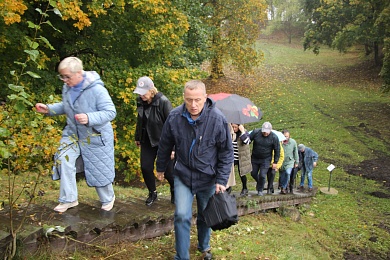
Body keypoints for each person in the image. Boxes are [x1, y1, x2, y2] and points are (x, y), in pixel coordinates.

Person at [156, 80, 233, 260]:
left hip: (208, 177)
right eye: (189, 100)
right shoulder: (175, 117)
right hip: (183, 175)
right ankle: (182, 256)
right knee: (182, 215)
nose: (193, 105)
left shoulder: (217, 119)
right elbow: (165, 145)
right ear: (184, 97)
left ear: (205, 98)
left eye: (197, 100)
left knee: (205, 216)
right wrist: (160, 167)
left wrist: (221, 180)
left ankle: (204, 245)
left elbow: (226, 152)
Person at [35, 57, 116, 212]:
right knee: (63, 159)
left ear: (79, 73)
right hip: (72, 133)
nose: (64, 80)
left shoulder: (97, 90)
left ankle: (108, 198)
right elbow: (66, 107)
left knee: (98, 168)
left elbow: (110, 112)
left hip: (94, 134)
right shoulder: (68, 87)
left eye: (67, 77)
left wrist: (89, 118)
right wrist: (49, 109)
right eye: (62, 76)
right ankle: (69, 199)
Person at [133, 76, 175, 206]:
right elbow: (140, 120)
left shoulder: (163, 102)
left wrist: (173, 148)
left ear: (151, 90)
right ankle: (152, 192)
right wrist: (137, 136)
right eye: (139, 92)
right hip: (147, 140)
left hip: (163, 142)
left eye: (143, 92)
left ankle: (175, 190)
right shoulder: (140, 101)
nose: (141, 95)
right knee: (145, 167)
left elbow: (173, 125)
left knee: (168, 172)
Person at [249, 122, 280, 196]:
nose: (265, 133)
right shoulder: (256, 132)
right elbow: (248, 140)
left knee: (262, 175)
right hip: (255, 158)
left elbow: (277, 150)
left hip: (266, 159)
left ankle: (260, 190)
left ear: (270, 130)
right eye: (264, 131)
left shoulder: (274, 137)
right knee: (253, 173)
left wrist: (275, 162)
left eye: (267, 131)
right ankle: (260, 182)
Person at [229, 123, 252, 196]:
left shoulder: (244, 132)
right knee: (228, 173)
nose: (234, 129)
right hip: (232, 157)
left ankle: (245, 188)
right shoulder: (230, 133)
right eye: (232, 127)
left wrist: (242, 132)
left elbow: (247, 142)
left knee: (242, 173)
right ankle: (228, 187)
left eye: (235, 127)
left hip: (241, 157)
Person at [279, 130, 299, 194]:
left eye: (287, 136)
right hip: (281, 162)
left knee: (288, 173)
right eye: (284, 136)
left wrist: (296, 162)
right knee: (282, 175)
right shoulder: (279, 142)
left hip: (290, 161)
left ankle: (284, 187)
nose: (286, 138)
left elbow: (295, 152)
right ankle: (282, 187)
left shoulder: (293, 142)